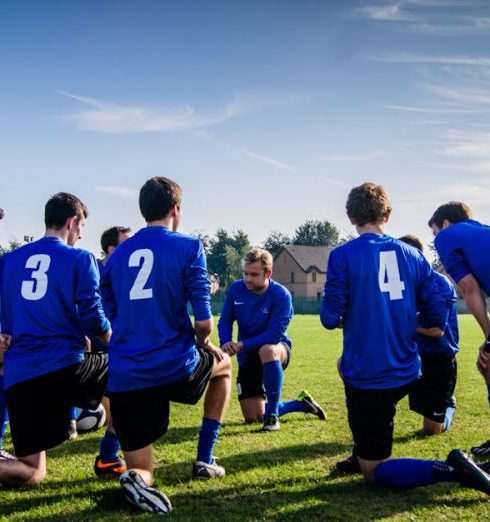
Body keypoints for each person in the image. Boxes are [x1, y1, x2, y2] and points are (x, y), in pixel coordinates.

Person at [321, 182, 490, 494]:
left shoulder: (342, 255)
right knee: (347, 371)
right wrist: (407, 320)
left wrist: (357, 313)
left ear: (349, 216)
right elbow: (440, 298)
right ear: (388, 213)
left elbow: (330, 317)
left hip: (371, 374)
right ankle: (363, 449)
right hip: (410, 366)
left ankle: (453, 470)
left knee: (374, 472)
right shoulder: (414, 255)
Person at [102, 176, 232, 515]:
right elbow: (204, 323)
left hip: (127, 373)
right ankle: (205, 458)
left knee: (143, 467)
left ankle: (136, 480)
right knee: (225, 368)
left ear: (143, 210)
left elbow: (110, 313)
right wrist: (203, 342)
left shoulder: (115, 257)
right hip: (174, 366)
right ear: (175, 208)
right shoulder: (188, 246)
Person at [0, 192, 111, 486]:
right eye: (81, 228)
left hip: (20, 373)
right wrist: (117, 342)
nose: (80, 235)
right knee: (130, 371)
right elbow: (94, 319)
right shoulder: (81, 258)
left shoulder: (9, 260)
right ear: (72, 221)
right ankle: (112, 454)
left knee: (33, 472)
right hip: (62, 368)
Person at [218, 247, 325, 431]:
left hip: (277, 350)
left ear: (268, 273)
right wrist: (226, 342)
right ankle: (300, 403)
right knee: (253, 417)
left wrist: (242, 344)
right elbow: (225, 321)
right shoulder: (236, 289)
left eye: (253, 274)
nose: (248, 278)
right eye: (245, 273)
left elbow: (273, 335)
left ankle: (273, 417)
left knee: (267, 349)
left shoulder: (281, 295)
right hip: (247, 355)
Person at [428, 202, 490, 457]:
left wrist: (489, 336)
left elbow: (469, 288)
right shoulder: (482, 231)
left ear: (444, 223)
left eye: (434, 232)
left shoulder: (447, 236)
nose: (435, 239)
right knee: (487, 365)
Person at [399, 235, 458, 436]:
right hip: (410, 355)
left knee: (431, 431)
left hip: (438, 358)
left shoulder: (438, 284)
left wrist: (402, 325)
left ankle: (448, 407)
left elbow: (436, 331)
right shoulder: (401, 284)